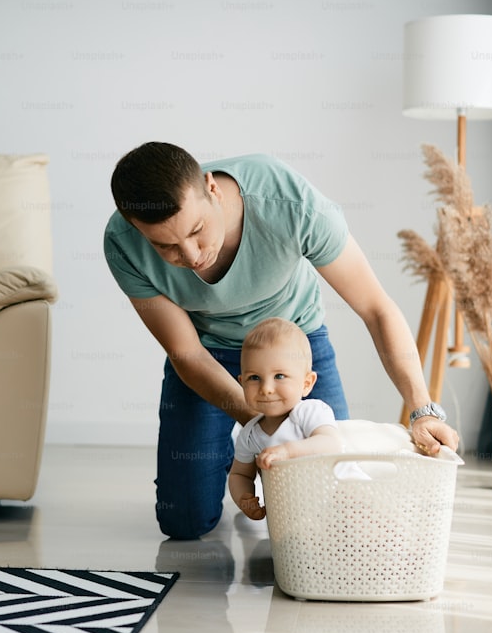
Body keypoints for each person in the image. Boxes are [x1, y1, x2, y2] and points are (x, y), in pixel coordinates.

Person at [104, 141, 459, 539]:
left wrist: (420, 407)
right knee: (183, 522)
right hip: (206, 356)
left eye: (197, 230)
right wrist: (261, 429)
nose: (190, 255)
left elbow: (376, 308)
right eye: (165, 246)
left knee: (334, 493)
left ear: (212, 188)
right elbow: (185, 351)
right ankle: (217, 452)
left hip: (292, 344)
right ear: (134, 227)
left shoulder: (288, 201)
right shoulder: (121, 242)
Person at [228, 317, 344, 521]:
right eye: (254, 378)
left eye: (279, 376)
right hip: (301, 512)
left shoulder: (309, 411)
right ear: (241, 383)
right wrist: (244, 498)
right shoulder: (250, 435)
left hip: (344, 496)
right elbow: (240, 475)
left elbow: (330, 443)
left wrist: (288, 451)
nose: (266, 389)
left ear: (307, 383)